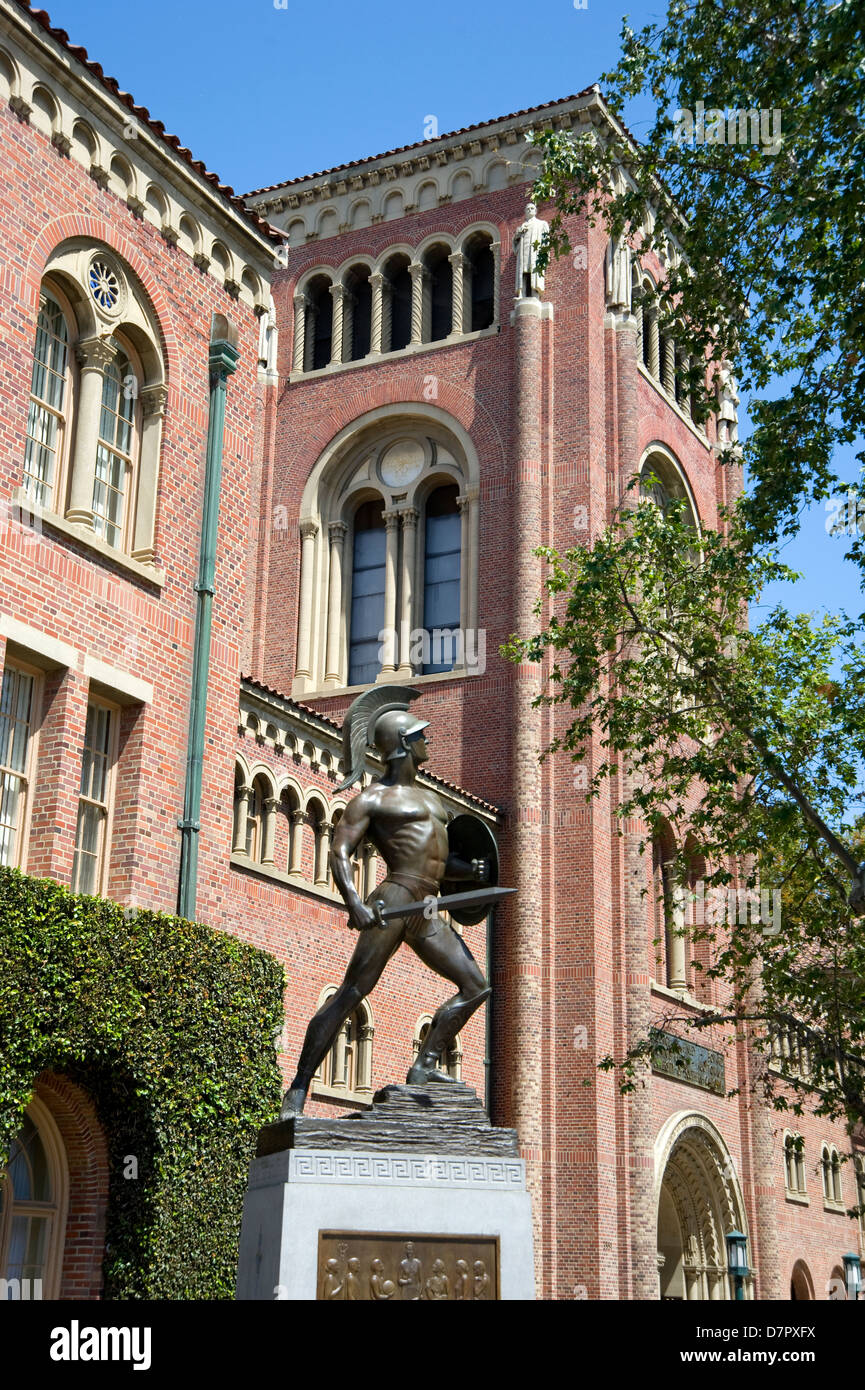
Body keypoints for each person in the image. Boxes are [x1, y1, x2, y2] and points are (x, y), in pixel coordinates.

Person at [280, 686, 490, 1118]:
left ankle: (425, 1065)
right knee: (352, 993)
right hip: (392, 899)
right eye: (420, 736)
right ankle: (298, 1088)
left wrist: (469, 873)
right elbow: (340, 851)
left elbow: (437, 860)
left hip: (428, 908)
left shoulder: (434, 802)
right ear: (403, 746)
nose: (428, 742)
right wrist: (354, 901)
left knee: (476, 985)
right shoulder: (372, 799)